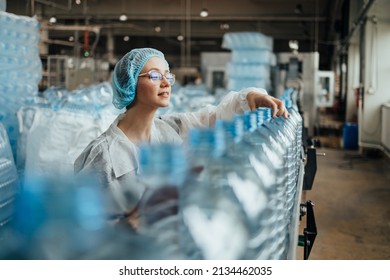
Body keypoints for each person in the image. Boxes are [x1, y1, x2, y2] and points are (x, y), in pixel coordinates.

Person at [74, 47, 288, 213]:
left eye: (168, 75)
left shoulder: (170, 129)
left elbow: (215, 118)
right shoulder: (103, 156)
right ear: (129, 83)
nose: (166, 83)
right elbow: (81, 227)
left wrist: (251, 97)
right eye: (155, 76)